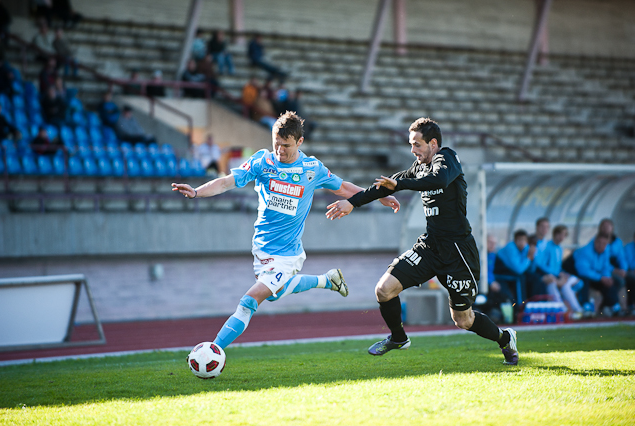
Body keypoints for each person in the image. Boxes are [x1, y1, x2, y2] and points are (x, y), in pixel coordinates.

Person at [171, 111, 400, 349]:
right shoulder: (262, 162)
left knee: (250, 301)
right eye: (276, 144)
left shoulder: (312, 168)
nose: (280, 150)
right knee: (274, 294)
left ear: (300, 142)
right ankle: (327, 280)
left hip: (287, 255)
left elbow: (343, 187)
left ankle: (214, 350)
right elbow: (227, 181)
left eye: (286, 145)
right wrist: (197, 191)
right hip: (261, 248)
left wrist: (378, 195)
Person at [326, 117, 519, 365]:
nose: (413, 150)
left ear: (433, 143)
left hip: (458, 251)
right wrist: (351, 202)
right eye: (411, 144)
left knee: (463, 320)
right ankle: (398, 338)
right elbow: (386, 187)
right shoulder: (418, 168)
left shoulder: (447, 158)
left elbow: (438, 180)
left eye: (417, 144)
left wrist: (401, 184)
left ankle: (505, 339)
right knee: (384, 290)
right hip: (430, 247)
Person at [534, 224, 584, 319]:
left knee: (576, 282)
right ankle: (562, 310)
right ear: (555, 234)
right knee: (553, 284)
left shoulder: (560, 248)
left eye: (564, 235)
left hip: (556, 275)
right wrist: (556, 274)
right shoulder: (547, 246)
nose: (562, 237)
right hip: (546, 275)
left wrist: (562, 274)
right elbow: (540, 264)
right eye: (560, 234)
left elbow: (557, 266)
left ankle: (578, 310)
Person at [573, 233, 621, 317]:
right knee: (584, 280)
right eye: (599, 242)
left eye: (603, 244)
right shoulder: (586, 251)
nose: (600, 245)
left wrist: (607, 277)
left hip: (597, 277)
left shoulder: (605, 252)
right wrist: (600, 278)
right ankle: (585, 306)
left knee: (613, 282)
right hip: (580, 274)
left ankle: (611, 305)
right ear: (594, 241)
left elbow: (606, 267)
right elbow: (583, 270)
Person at [494, 229, 536, 304]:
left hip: (511, 272)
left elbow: (531, 269)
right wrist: (529, 258)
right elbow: (518, 269)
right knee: (520, 277)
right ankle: (521, 304)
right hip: (500, 273)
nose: (521, 243)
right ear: (515, 241)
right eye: (519, 240)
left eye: (524, 240)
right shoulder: (510, 247)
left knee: (534, 278)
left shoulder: (526, 248)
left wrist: (532, 257)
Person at [624, 231, 635, 315]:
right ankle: (631, 305)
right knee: (631, 279)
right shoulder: (628, 248)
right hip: (630, 272)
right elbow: (628, 263)